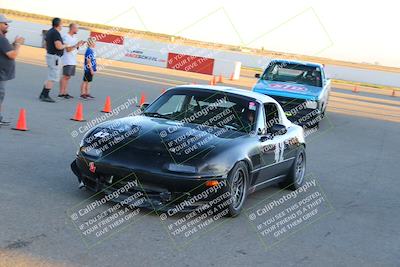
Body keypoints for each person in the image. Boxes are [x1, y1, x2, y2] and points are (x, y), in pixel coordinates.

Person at [0, 14, 24, 126]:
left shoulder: (3, 39)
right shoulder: (1, 39)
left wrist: (14, 44)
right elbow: (12, 55)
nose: (7, 25)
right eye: (5, 23)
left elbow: (6, 51)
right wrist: (18, 45)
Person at [39, 17, 68, 102]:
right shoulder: (56, 33)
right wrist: (65, 45)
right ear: (58, 24)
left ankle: (43, 94)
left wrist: (49, 51)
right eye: (61, 24)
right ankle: (45, 95)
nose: (62, 25)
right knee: (53, 77)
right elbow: (58, 46)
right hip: (54, 57)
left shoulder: (50, 31)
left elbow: (45, 44)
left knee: (50, 75)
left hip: (50, 55)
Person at [59, 23, 84, 99]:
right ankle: (61, 93)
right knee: (65, 76)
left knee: (68, 77)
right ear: (72, 28)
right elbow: (68, 49)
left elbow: (74, 48)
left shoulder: (75, 37)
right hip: (67, 59)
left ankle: (65, 92)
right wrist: (76, 45)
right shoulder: (65, 36)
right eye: (76, 28)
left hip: (73, 59)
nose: (77, 30)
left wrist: (79, 45)